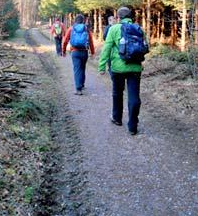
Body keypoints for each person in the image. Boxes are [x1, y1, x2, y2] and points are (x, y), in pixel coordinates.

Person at [98, 7, 145, 135]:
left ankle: (117, 118)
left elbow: (106, 49)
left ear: (118, 17)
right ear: (131, 17)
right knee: (134, 96)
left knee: (117, 93)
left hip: (118, 68)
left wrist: (101, 66)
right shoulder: (139, 29)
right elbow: (143, 47)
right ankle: (132, 126)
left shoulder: (113, 29)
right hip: (135, 67)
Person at [62, 14, 95, 95]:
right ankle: (82, 84)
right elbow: (90, 41)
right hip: (84, 52)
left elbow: (65, 40)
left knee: (77, 69)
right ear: (83, 20)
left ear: (75, 20)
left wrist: (63, 51)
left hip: (75, 52)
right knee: (83, 68)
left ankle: (78, 89)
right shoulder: (86, 29)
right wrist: (92, 52)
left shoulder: (71, 29)